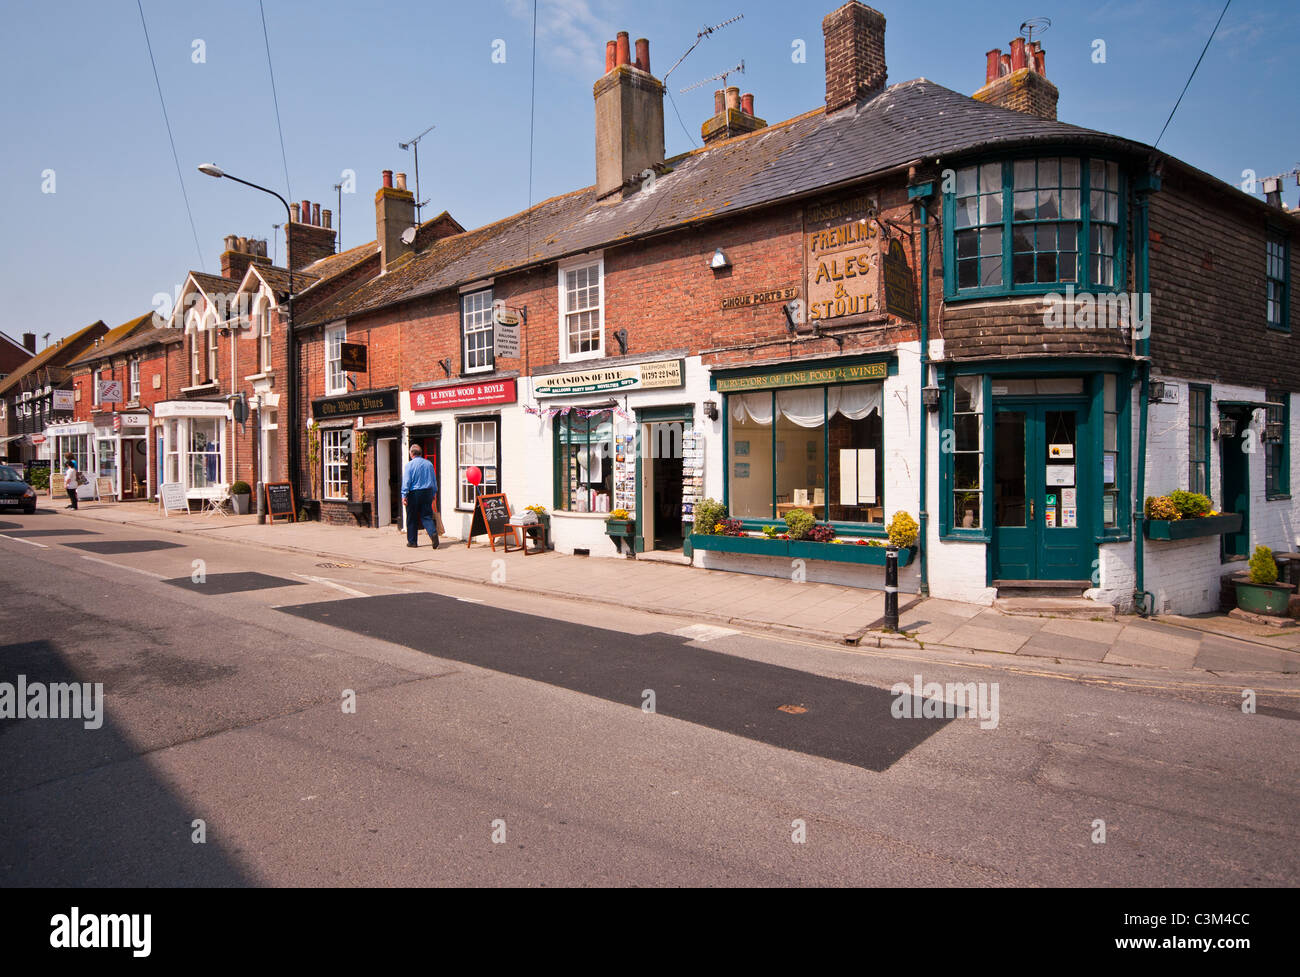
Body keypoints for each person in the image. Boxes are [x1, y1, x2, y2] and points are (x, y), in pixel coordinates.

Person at [401, 443, 439, 548]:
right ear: (420, 453)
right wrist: (434, 493)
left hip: (414, 493)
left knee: (412, 517)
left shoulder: (409, 465)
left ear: (411, 453)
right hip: (427, 492)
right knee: (426, 516)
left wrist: (404, 495)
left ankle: (412, 542)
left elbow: (406, 482)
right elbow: (433, 480)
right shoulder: (429, 464)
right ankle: (433, 533)